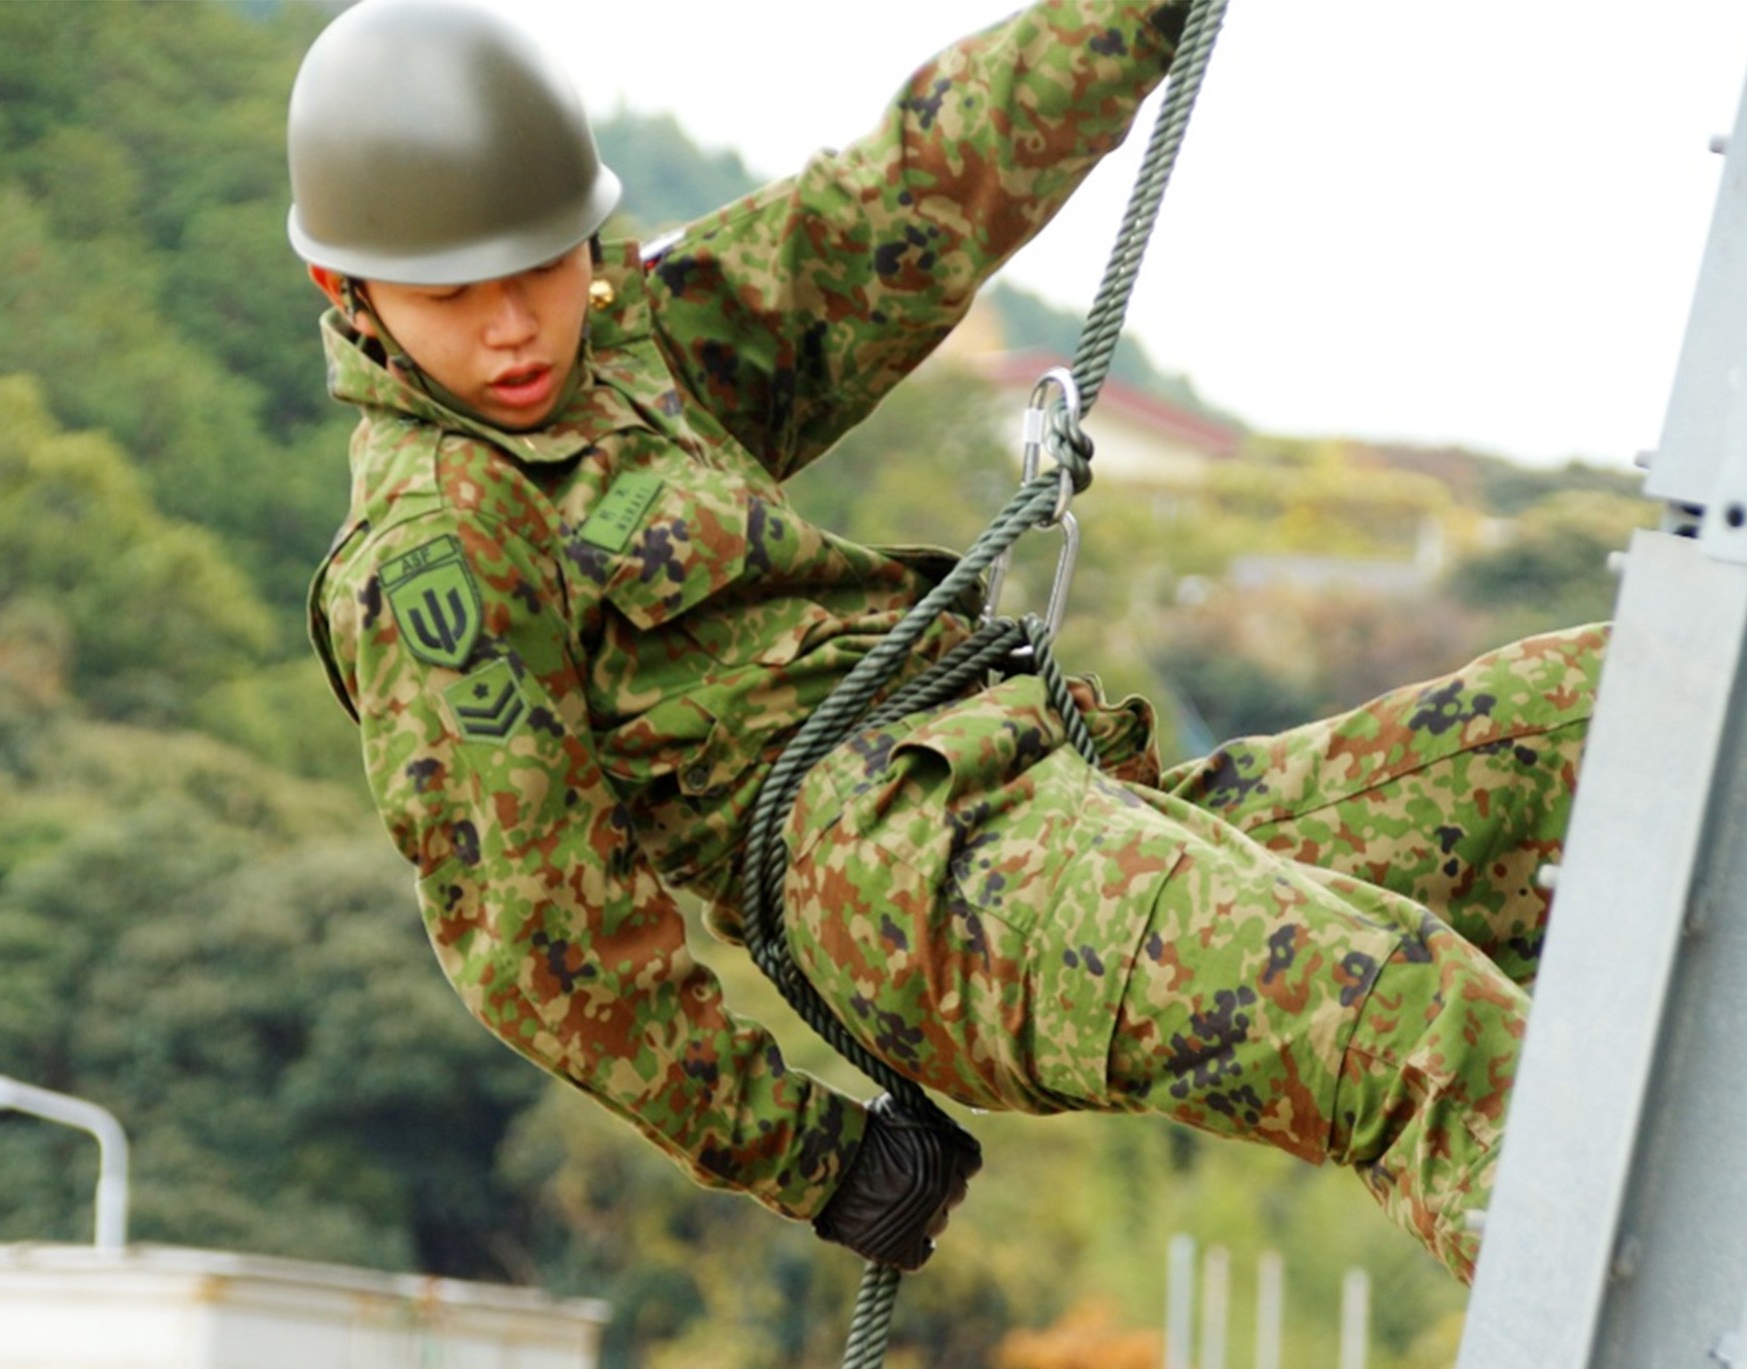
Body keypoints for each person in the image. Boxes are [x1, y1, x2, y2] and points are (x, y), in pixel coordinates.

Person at [288, 0, 1604, 1285]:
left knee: (1583, 727)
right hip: (913, 892)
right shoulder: (436, 552)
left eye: (538, 268)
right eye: (451, 296)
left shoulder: (639, 354)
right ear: (343, 288)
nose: (512, 325)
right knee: (1399, 1022)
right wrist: (812, 1155)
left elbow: (901, 201)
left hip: (1047, 798)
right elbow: (540, 945)